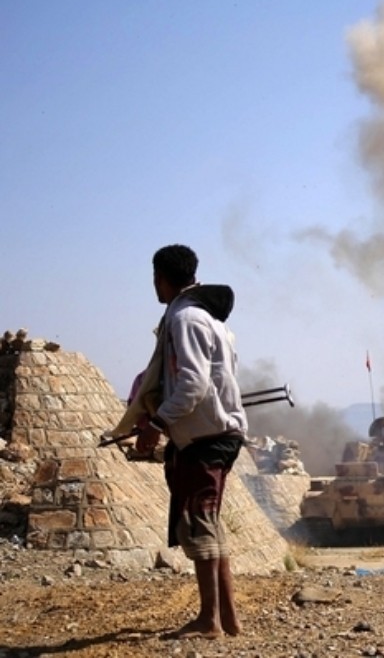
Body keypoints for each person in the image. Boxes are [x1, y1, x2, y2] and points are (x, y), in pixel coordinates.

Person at [134, 244, 247, 640]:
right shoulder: (211, 320)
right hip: (214, 433)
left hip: (205, 437)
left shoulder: (185, 319)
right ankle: (228, 619)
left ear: (160, 278)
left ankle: (208, 621)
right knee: (209, 524)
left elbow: (194, 384)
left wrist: (157, 423)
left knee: (199, 524)